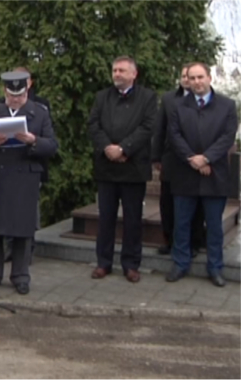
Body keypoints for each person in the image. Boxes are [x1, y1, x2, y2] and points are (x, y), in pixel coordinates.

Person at [0, 72, 58, 295]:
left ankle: (20, 275)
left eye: (20, 95)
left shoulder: (39, 113)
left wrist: (33, 141)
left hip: (23, 177)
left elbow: (52, 145)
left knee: (22, 228)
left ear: (26, 91)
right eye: (11, 95)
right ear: (5, 92)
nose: (15, 99)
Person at [166, 62, 238, 287]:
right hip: (185, 174)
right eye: (192, 78)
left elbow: (227, 137)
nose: (196, 82)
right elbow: (174, 136)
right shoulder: (179, 106)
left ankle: (215, 268)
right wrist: (193, 159)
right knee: (182, 223)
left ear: (209, 78)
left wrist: (206, 158)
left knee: (214, 226)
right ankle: (180, 264)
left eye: (200, 77)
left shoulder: (226, 106)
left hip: (214, 176)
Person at [88, 56, 157, 283]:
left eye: (122, 71)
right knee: (106, 218)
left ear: (134, 74)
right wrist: (107, 147)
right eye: (115, 70)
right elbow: (94, 125)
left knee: (132, 219)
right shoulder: (101, 97)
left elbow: (147, 127)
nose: (117, 74)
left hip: (133, 167)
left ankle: (131, 264)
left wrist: (124, 149)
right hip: (106, 167)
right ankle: (103, 263)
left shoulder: (147, 97)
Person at [152, 64, 206, 257]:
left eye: (188, 76)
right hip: (171, 159)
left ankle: (194, 242)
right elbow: (160, 129)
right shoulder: (168, 99)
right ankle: (169, 240)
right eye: (183, 75)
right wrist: (156, 156)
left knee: (195, 203)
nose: (186, 79)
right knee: (167, 202)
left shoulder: (202, 100)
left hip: (195, 159)